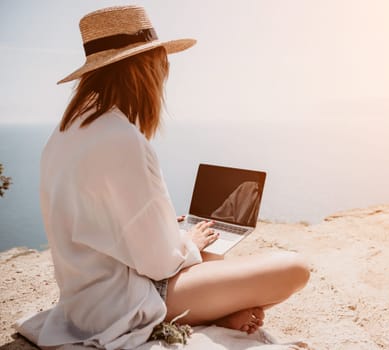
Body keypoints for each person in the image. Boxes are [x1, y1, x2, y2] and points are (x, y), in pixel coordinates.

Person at [38, 5, 309, 349]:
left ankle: (221, 310)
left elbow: (110, 226)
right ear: (145, 67)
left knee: (211, 252)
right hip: (125, 303)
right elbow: (158, 263)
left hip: (85, 300)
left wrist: (173, 233)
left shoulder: (68, 131)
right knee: (293, 269)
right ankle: (217, 311)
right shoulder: (121, 138)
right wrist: (185, 243)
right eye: (161, 61)